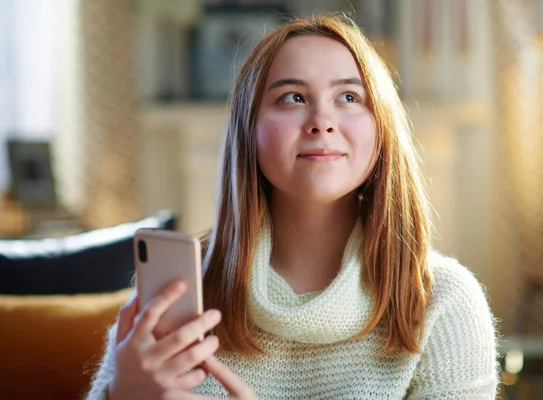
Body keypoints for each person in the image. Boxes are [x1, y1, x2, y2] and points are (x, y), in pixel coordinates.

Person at [86, 14, 498, 400]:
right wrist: (121, 395)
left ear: (381, 127)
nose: (322, 120)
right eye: (293, 97)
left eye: (349, 96)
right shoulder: (176, 293)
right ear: (249, 128)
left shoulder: (443, 301)